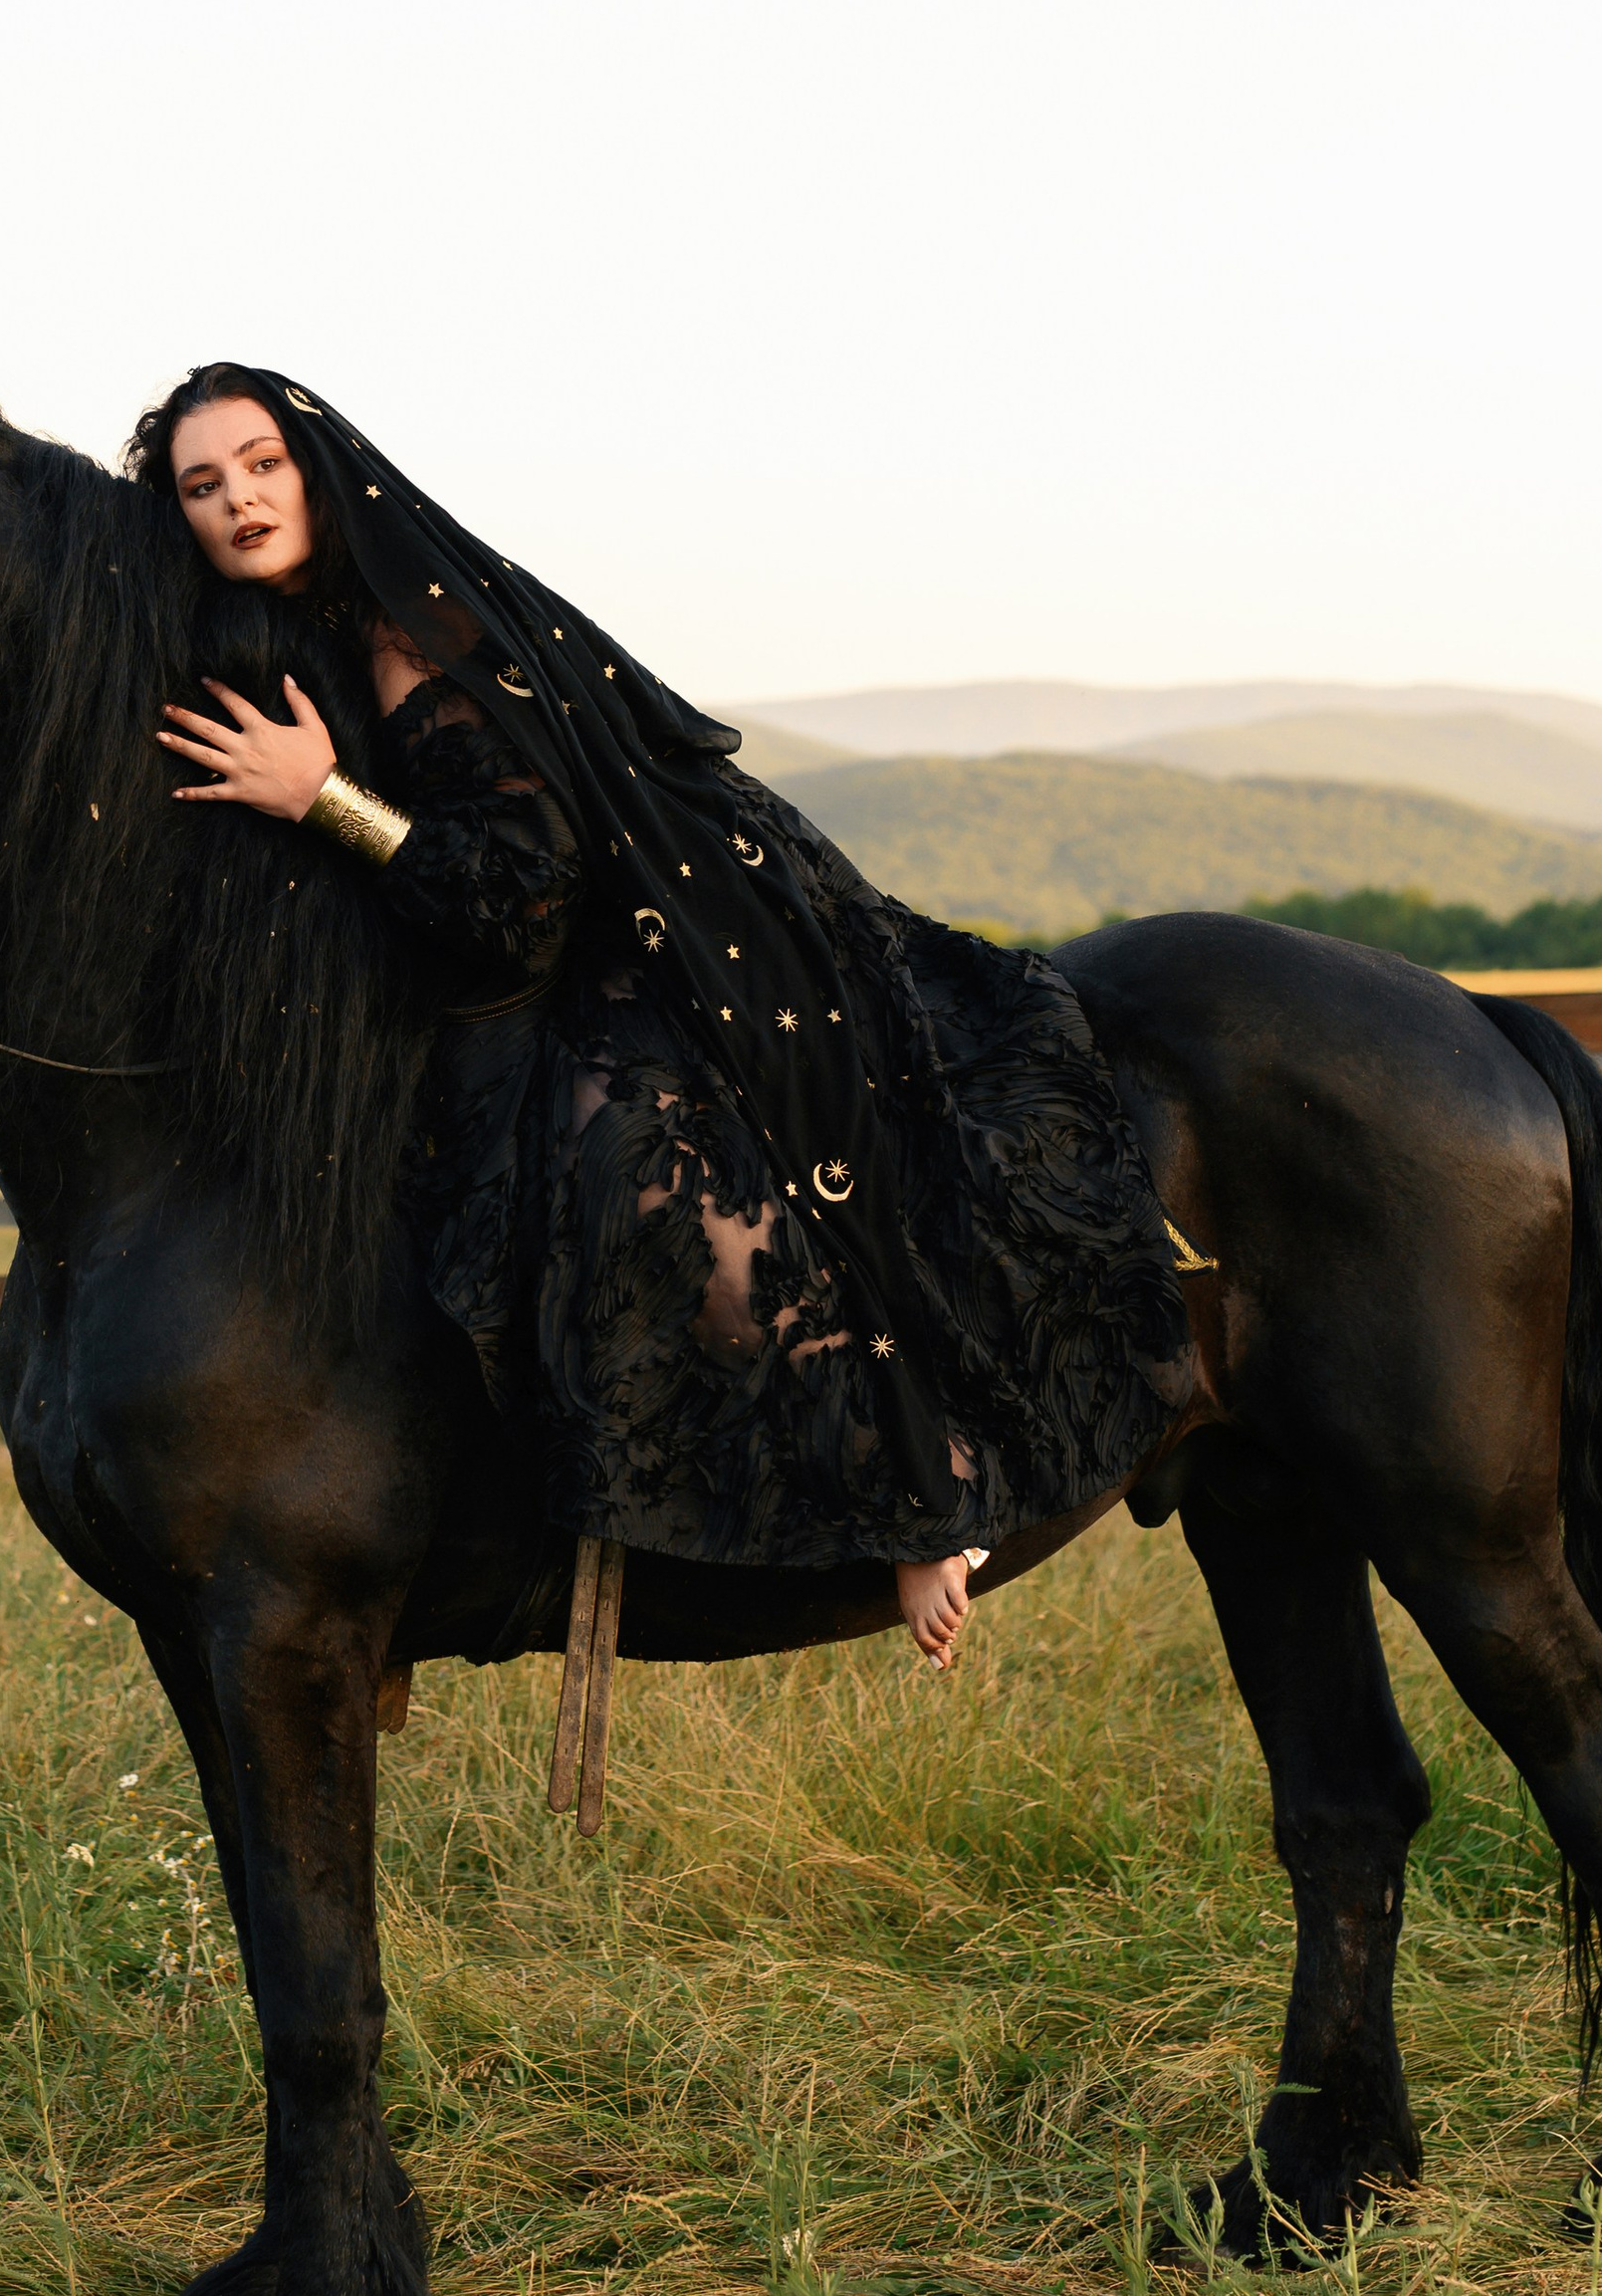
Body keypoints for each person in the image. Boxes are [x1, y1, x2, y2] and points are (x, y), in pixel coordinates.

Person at [136, 365, 1194, 1667]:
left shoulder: (410, 634)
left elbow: (524, 888)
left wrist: (326, 800)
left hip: (654, 931)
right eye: (203, 485)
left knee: (650, 1178)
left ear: (318, 471)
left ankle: (930, 1492)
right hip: (591, 930)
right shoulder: (325, 619)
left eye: (261, 465)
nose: (238, 500)